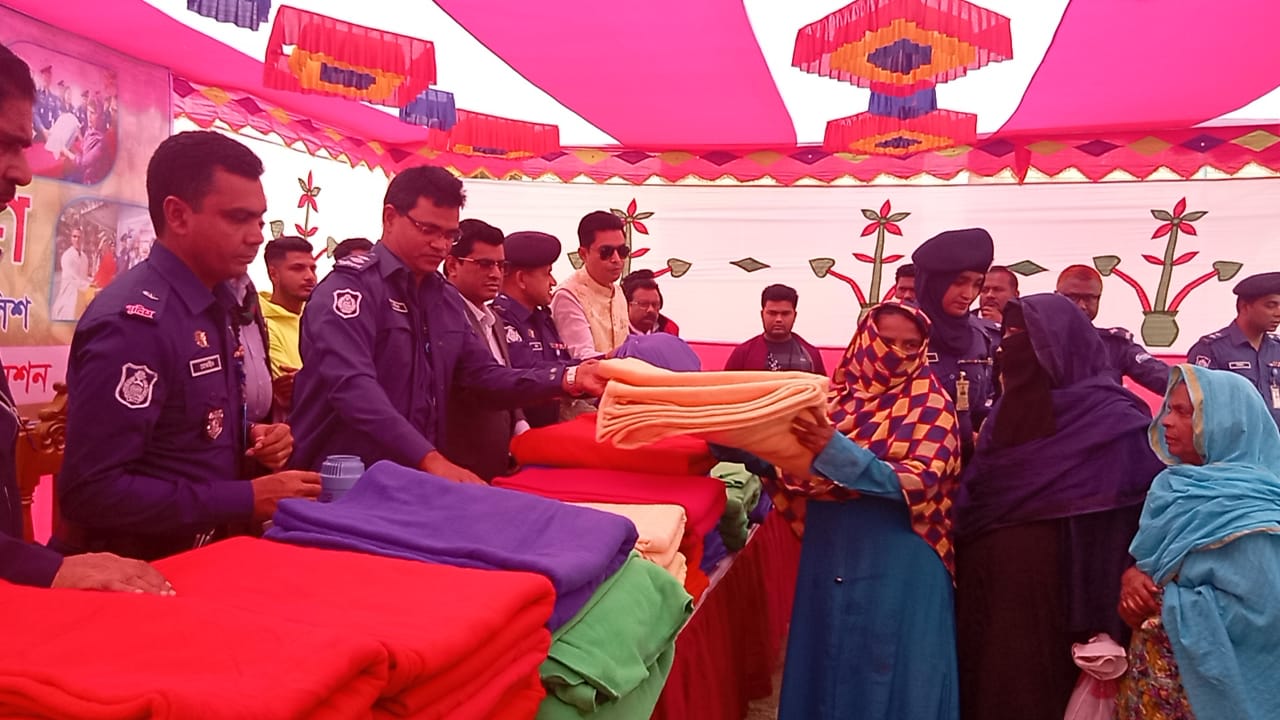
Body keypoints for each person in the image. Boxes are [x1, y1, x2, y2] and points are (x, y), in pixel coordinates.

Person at [56, 131, 320, 561]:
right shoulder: (135, 324)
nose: (256, 236)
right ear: (178, 215)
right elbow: (92, 491)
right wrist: (245, 498)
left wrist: (252, 437)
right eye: (238, 218)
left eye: (259, 219)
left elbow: (186, 430)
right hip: (143, 570)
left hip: (211, 556)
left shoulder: (213, 303)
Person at [288, 167, 606, 481]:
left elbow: (483, 377)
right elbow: (354, 390)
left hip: (412, 481)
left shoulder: (444, 298)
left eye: (450, 235)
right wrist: (430, 460)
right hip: (340, 480)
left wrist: (568, 377)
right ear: (390, 217)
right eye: (428, 230)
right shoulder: (349, 291)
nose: (440, 245)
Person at [0, 42, 174, 593]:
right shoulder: (128, 313)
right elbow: (96, 488)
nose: (22, 173)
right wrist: (46, 569)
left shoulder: (228, 309)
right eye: (4, 145)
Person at [954, 294, 1164, 720]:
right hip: (992, 588)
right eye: (1007, 333)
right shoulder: (1006, 412)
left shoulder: (1116, 419)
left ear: (1062, 343)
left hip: (1070, 594)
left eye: (1023, 335)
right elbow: (978, 494)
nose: (1008, 345)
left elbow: (1135, 516)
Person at [779, 302, 962, 720]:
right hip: (831, 550)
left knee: (893, 672)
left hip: (900, 556)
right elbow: (789, 461)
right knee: (824, 661)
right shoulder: (828, 401)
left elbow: (921, 478)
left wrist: (836, 451)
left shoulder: (932, 404)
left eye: (911, 345)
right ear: (864, 340)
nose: (898, 353)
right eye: (887, 341)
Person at [1116, 365, 1280, 720]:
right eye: (1168, 409)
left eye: (1183, 412)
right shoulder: (1170, 489)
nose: (1166, 421)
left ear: (1228, 423)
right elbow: (1154, 564)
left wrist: (1162, 602)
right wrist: (1134, 580)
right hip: (1157, 688)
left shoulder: (1257, 508)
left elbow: (1264, 614)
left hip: (1211, 693)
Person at [441, 218, 525, 481]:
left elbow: (505, 377)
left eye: (501, 265)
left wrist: (521, 426)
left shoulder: (495, 319)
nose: (496, 274)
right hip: (457, 466)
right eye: (485, 264)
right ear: (452, 265)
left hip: (499, 462)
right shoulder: (443, 317)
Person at [910, 229, 1001, 459]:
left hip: (966, 465)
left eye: (977, 284)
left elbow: (978, 406)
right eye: (959, 282)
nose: (968, 294)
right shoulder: (898, 330)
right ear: (935, 282)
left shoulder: (980, 336)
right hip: (908, 465)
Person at [492, 231, 577, 429]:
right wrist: (580, 373)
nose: (553, 281)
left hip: (549, 430)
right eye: (547, 273)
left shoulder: (543, 319)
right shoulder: (499, 321)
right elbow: (527, 373)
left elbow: (561, 363)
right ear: (521, 279)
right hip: (517, 435)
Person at [1055, 265, 1169, 395]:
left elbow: (1162, 376)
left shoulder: (1115, 346)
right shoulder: (1038, 343)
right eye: (1073, 297)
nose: (1082, 306)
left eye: (1089, 298)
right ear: (1056, 296)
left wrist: (1186, 381)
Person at [1185, 271, 1280, 427]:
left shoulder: (1277, 348)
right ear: (1244, 306)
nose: (1278, 313)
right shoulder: (1211, 349)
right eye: (1271, 305)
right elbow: (1198, 404)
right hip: (1234, 440)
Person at [551, 210, 630, 359]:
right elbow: (583, 357)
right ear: (583, 254)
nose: (616, 259)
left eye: (622, 251)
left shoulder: (619, 292)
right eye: (606, 252)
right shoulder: (568, 296)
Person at [258, 236, 317, 415]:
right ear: (273, 274)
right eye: (298, 268)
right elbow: (292, 393)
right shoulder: (263, 325)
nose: (310, 276)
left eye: (313, 268)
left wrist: (309, 379)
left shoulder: (319, 319)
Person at [724, 284, 826, 375]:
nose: (778, 319)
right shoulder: (743, 353)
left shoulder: (810, 354)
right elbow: (726, 387)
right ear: (762, 314)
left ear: (794, 315)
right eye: (772, 313)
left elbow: (822, 388)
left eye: (785, 314)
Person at [621, 269, 680, 336]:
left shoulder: (670, 331)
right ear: (626, 304)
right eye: (643, 304)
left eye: (655, 304)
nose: (650, 310)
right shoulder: (614, 332)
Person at [52, 226, 91, 320]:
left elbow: (84, 277)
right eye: (74, 236)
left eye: (79, 237)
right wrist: (90, 286)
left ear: (83, 239)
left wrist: (92, 283)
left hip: (81, 299)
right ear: (71, 238)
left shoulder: (84, 258)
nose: (77, 239)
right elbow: (73, 278)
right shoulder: (67, 256)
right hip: (67, 299)